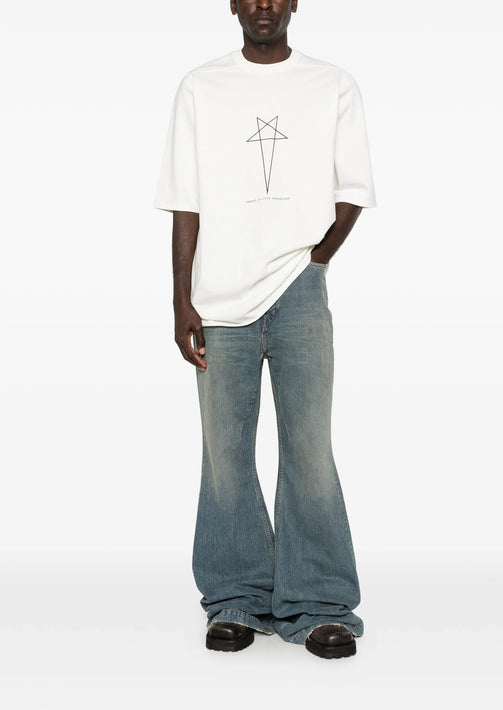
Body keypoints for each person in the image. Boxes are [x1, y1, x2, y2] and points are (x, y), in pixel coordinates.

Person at [153, 0, 377, 660]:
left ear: (294, 3)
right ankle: (235, 599)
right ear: (232, 3)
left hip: (298, 291)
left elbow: (352, 189)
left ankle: (321, 604)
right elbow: (185, 201)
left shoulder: (331, 84)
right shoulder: (201, 86)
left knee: (309, 449)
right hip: (218, 300)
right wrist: (181, 300)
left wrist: (315, 260)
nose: (263, 5)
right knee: (225, 455)